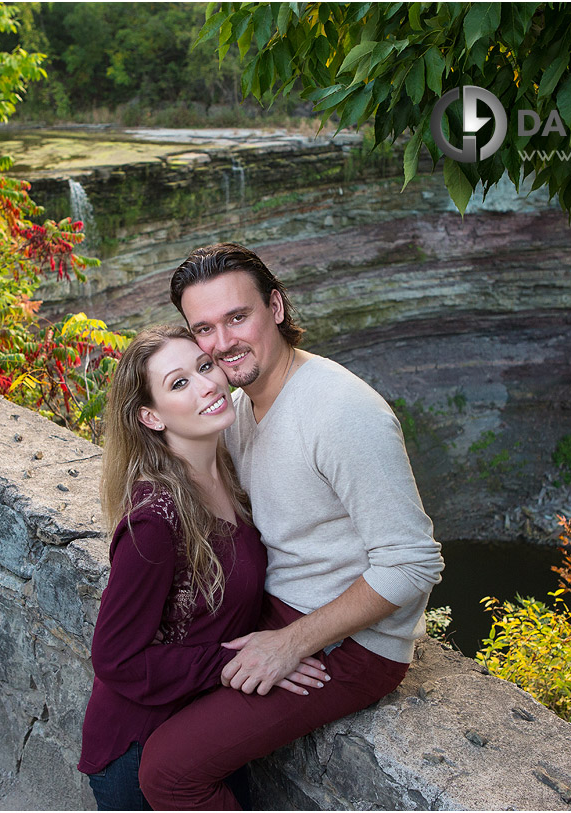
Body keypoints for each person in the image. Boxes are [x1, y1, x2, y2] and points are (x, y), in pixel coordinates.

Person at [137, 244, 445, 809]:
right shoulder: (239, 406)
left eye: (238, 316)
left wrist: (291, 644)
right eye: (203, 328)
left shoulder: (341, 412)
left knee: (167, 772)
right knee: (144, 698)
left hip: (353, 644)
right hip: (280, 607)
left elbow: (412, 562)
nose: (223, 342)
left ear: (275, 306)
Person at [78, 324, 328, 810]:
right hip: (139, 751)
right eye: (179, 383)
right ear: (150, 416)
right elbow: (114, 657)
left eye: (205, 366)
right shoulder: (154, 521)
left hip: (200, 730)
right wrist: (237, 662)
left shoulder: (230, 471)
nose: (207, 385)